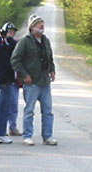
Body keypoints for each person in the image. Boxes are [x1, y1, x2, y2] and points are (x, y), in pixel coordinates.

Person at [11, 15, 57, 146]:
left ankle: (47, 137)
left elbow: (50, 57)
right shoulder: (24, 41)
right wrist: (24, 75)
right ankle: (27, 136)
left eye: (42, 23)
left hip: (44, 81)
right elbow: (15, 60)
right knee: (29, 110)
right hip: (31, 83)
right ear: (32, 27)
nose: (41, 26)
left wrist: (52, 70)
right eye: (38, 24)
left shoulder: (46, 41)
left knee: (47, 111)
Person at [1, 22, 22, 136]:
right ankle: (1, 128)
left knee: (13, 104)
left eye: (12, 32)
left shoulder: (17, 45)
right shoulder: (2, 44)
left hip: (14, 80)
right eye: (9, 31)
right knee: (3, 105)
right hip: (4, 79)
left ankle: (12, 127)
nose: (11, 34)